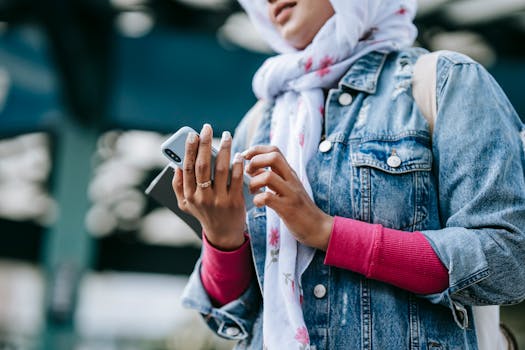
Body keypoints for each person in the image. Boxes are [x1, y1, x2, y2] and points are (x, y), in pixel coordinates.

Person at [174, 0, 525, 349]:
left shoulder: (446, 81)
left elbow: (507, 262)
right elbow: (236, 315)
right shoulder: (259, 123)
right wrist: (221, 237)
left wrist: (327, 232)